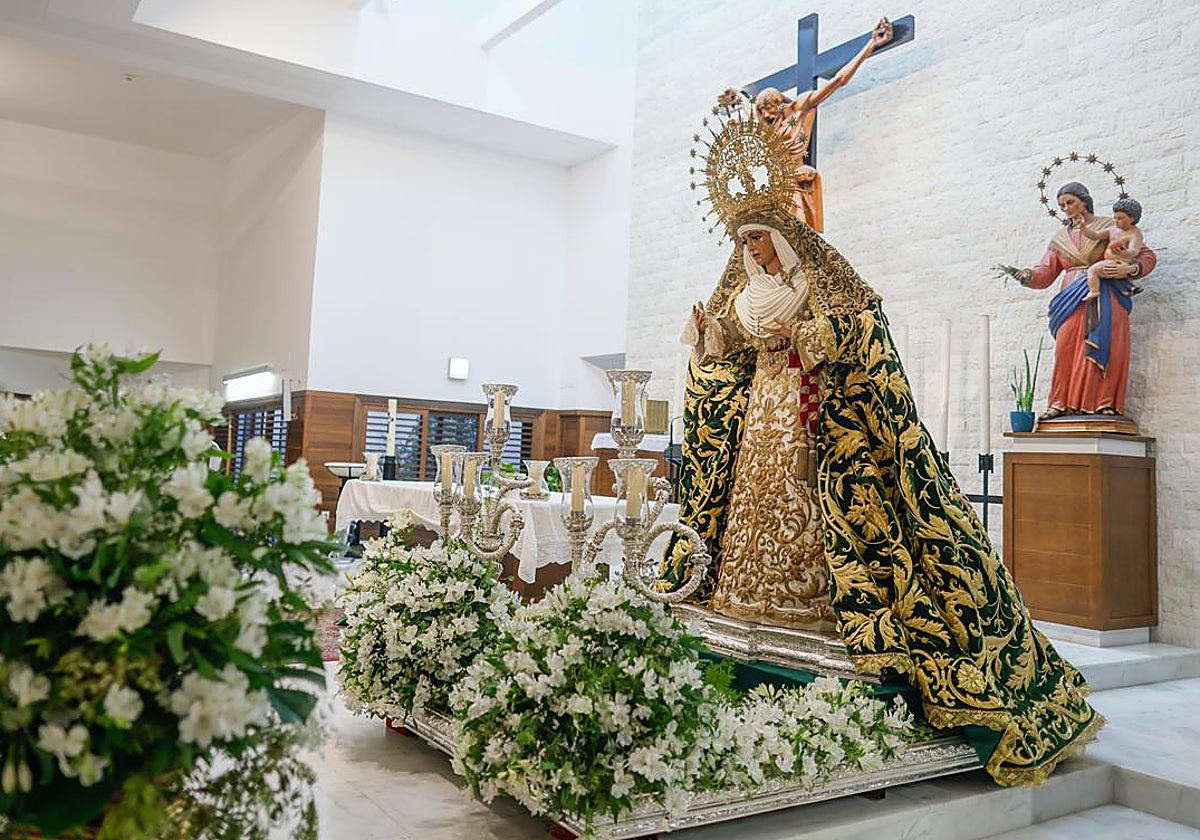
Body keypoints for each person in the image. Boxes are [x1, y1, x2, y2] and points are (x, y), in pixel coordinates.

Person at [719, 17, 893, 231]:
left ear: (780, 103)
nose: (766, 115)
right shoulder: (766, 125)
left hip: (795, 181)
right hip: (775, 187)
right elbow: (749, 108)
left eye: (769, 108)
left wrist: (871, 44)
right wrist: (738, 95)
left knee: (796, 233)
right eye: (762, 111)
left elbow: (838, 80)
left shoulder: (800, 109)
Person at [1012, 183, 1157, 419]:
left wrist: (1131, 268)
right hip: (1070, 299)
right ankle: (1059, 402)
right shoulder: (1060, 238)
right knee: (1065, 348)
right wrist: (1026, 276)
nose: (1066, 208)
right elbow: (1045, 273)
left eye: (1070, 202)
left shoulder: (1110, 225)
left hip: (1106, 296)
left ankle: (1104, 403)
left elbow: (1146, 255)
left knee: (1105, 347)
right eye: (1061, 205)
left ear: (1085, 201)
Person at [1079, 198, 1145, 300]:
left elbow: (1134, 251)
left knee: (1092, 270)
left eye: (1120, 218)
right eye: (1115, 217)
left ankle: (1094, 291)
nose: (1116, 221)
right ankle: (1127, 288)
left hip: (1119, 264)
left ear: (1131, 219)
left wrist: (1123, 253)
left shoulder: (1135, 234)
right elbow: (1095, 235)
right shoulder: (1113, 229)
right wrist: (1083, 228)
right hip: (1110, 262)